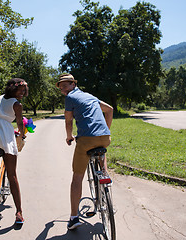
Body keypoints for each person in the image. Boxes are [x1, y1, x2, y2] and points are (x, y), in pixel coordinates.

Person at [56, 73, 113, 230]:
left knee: (77, 177)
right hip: (105, 137)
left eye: (65, 86)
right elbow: (109, 109)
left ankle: (74, 217)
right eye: (60, 87)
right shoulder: (89, 96)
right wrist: (105, 130)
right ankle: (105, 176)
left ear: (73, 84)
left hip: (86, 140)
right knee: (102, 152)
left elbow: (68, 120)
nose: (62, 89)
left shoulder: (70, 98)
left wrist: (69, 137)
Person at [0, 78, 28, 224]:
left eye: (24, 91)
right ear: (13, 89)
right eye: (21, 90)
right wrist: (21, 134)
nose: (23, 93)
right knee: (12, 174)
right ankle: (19, 212)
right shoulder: (17, 104)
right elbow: (19, 123)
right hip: (4, 136)